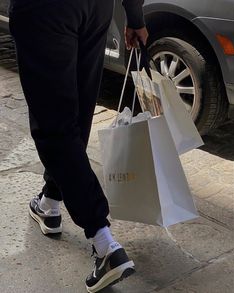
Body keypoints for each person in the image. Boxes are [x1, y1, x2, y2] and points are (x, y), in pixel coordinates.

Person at [9, 0, 148, 291]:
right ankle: (50, 200)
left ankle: (103, 240)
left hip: (45, 11)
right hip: (96, 8)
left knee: (55, 126)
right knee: (77, 112)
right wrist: (135, 15)